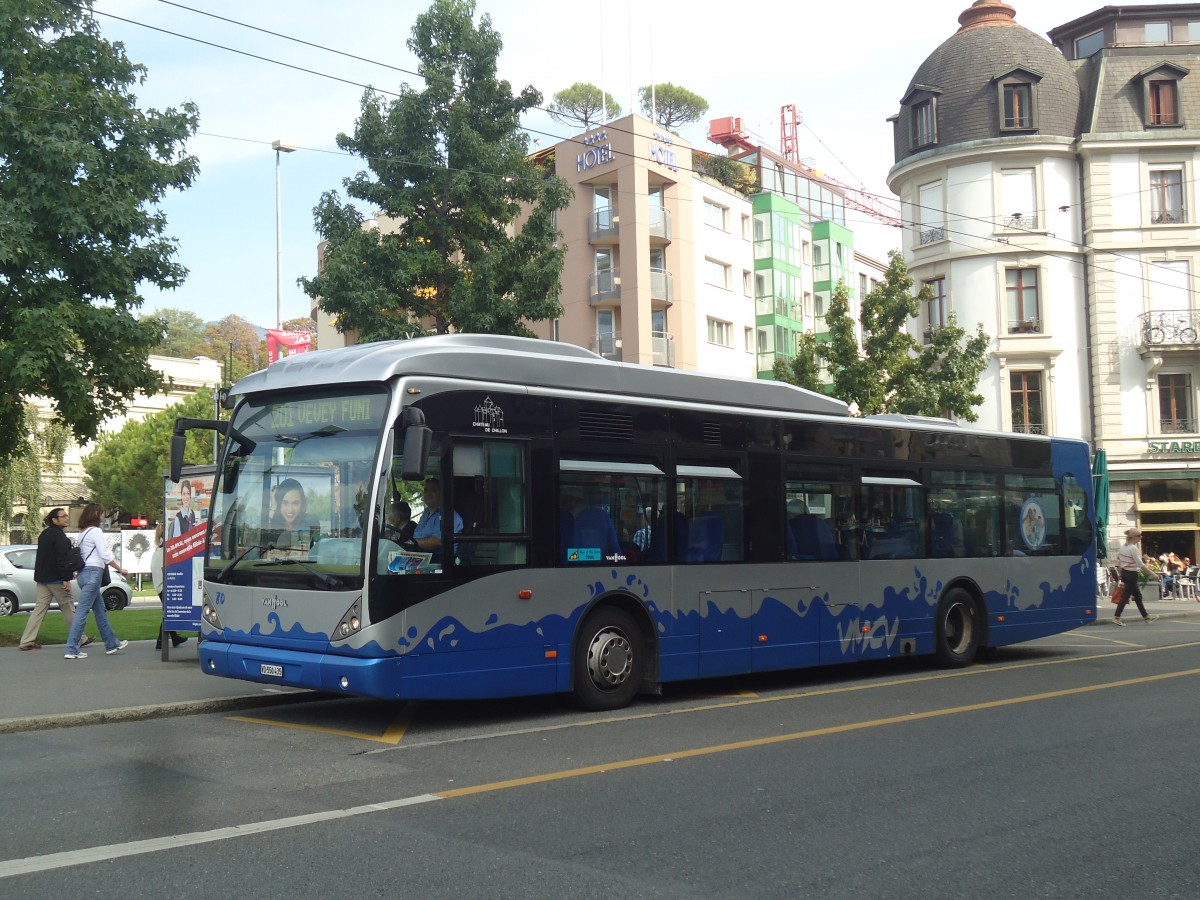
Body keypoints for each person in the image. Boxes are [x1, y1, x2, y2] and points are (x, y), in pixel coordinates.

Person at [18, 508, 92, 652]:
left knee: (39, 609)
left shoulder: (44, 535)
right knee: (69, 608)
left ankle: (26, 640)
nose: (67, 518)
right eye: (63, 516)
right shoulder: (60, 537)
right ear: (54, 520)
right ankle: (80, 638)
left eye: (66, 516)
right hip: (56, 578)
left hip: (42, 578)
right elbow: (61, 560)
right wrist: (66, 579)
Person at [63, 503, 130, 659]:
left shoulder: (83, 532)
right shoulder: (96, 531)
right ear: (96, 514)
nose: (103, 516)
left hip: (83, 575)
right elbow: (104, 555)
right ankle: (72, 648)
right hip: (93, 574)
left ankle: (112, 643)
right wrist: (120, 569)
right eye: (101, 513)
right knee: (82, 611)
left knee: (100, 611)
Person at [1113, 527, 1158, 626]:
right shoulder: (1133, 548)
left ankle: (1146, 617)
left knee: (1137, 596)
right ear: (1133, 537)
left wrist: (1121, 575)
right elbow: (1140, 564)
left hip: (1125, 573)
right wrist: (1153, 574)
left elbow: (1120, 562)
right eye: (1139, 536)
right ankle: (1116, 617)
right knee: (1125, 596)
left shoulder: (1122, 548)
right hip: (1131, 574)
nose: (1140, 538)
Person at [151, 524, 186, 650]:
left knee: (169, 613)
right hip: (164, 587)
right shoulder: (164, 553)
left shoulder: (158, 552)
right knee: (168, 614)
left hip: (159, 586)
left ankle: (174, 638)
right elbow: (166, 571)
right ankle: (160, 642)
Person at [412, 479, 463, 559]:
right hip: (422, 556)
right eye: (426, 490)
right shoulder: (426, 513)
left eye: (433, 490)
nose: (428, 494)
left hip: (441, 561)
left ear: (442, 493)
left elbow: (437, 542)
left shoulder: (449, 515)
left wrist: (414, 542)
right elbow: (416, 535)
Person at [270, 478, 316, 549]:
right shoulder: (271, 526)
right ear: (279, 504)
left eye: (295, 503)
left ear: (302, 504)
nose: (290, 509)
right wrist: (273, 507)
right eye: (285, 503)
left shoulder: (309, 524)